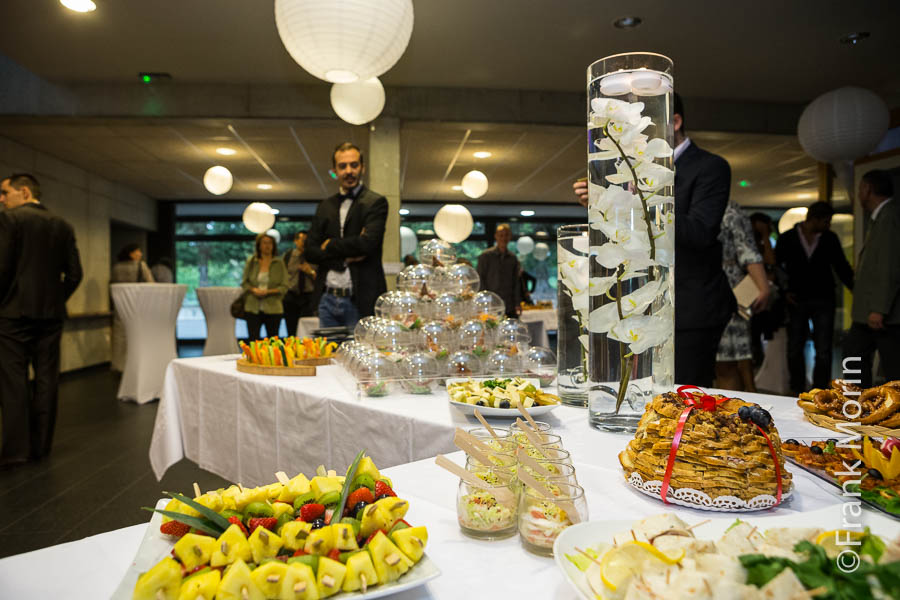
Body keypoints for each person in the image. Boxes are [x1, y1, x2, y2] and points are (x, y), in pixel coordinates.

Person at [573, 93, 734, 387]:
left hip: (691, 305)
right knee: (644, 390)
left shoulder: (710, 167)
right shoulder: (630, 170)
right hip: (644, 299)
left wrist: (644, 200)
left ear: (674, 122)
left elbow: (700, 231)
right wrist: (604, 202)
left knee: (686, 393)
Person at [0, 173, 82, 469]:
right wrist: (56, 299)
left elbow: (3, 268)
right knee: (47, 380)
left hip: (12, 314)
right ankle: (41, 447)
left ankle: (16, 451)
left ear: (23, 192)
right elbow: (75, 274)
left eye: (4, 192)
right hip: (51, 315)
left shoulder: (10, 220)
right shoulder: (62, 225)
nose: (2, 199)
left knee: (14, 382)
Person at [305, 142, 388, 328]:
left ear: (363, 168)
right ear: (334, 170)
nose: (349, 171)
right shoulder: (324, 206)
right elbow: (310, 251)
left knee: (361, 356)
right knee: (328, 356)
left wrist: (330, 245)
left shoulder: (375, 202)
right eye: (342, 166)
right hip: (327, 299)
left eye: (354, 165)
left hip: (360, 299)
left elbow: (368, 244)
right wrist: (344, 258)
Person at [775, 201, 853, 394]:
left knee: (824, 348)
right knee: (794, 347)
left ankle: (819, 391)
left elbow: (841, 267)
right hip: (796, 299)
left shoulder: (830, 238)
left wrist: (857, 291)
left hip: (823, 298)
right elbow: (776, 268)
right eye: (826, 221)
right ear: (814, 219)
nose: (829, 225)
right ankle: (797, 389)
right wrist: (784, 292)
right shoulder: (788, 238)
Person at [844, 169, 900, 388]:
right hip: (870, 313)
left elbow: (889, 265)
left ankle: (884, 412)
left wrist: (879, 308)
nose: (858, 195)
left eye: (860, 189)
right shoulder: (881, 217)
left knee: (892, 367)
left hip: (883, 313)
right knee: (854, 355)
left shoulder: (890, 217)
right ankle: (856, 404)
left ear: (868, 189)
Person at [715, 201, 770, 391]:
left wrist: (763, 286)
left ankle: (736, 414)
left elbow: (748, 253)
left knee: (728, 364)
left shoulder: (731, 210)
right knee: (724, 364)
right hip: (709, 291)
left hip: (730, 293)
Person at [241, 232, 288, 340]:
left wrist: (268, 292)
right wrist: (254, 290)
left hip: (273, 307)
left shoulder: (279, 263)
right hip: (253, 306)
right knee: (253, 339)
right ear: (259, 245)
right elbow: (244, 283)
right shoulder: (252, 261)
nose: (267, 246)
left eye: (270, 243)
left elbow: (285, 286)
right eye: (264, 243)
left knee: (273, 340)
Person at [477, 223, 523, 318]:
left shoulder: (513, 258)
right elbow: (480, 280)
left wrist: (517, 302)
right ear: (496, 236)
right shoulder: (485, 256)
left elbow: (516, 282)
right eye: (501, 235)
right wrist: (483, 301)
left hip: (509, 305)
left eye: (506, 235)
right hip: (490, 305)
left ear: (510, 237)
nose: (504, 238)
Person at [282, 230, 318, 337]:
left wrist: (310, 271)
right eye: (302, 240)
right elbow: (282, 276)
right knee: (291, 330)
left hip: (308, 297)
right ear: (296, 241)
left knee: (307, 330)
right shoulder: (288, 256)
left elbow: (321, 279)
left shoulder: (314, 256)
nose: (304, 243)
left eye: (307, 241)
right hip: (291, 296)